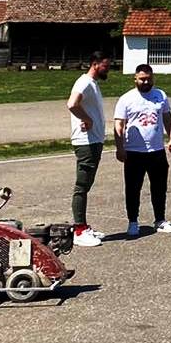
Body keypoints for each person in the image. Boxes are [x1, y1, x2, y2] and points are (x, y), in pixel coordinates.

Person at [113, 63, 171, 237]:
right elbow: (119, 125)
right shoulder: (126, 99)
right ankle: (133, 222)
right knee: (133, 188)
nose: (146, 82)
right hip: (134, 152)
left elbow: (167, 118)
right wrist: (119, 147)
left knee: (159, 187)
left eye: (149, 78)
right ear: (135, 79)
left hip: (156, 151)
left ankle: (160, 220)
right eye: (142, 79)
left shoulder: (160, 96)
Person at [66, 51, 111, 248]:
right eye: (105, 66)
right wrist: (87, 119)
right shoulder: (84, 82)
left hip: (93, 141)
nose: (107, 69)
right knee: (82, 185)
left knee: (87, 184)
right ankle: (79, 229)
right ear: (95, 64)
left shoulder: (92, 84)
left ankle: (83, 225)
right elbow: (72, 104)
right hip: (86, 142)